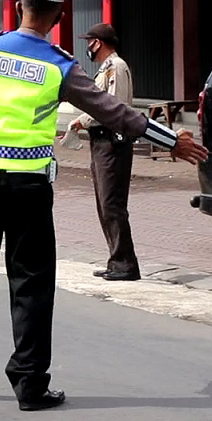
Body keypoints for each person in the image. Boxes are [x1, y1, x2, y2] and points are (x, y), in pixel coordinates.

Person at [0, 0, 208, 411]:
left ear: (20, 5)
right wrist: (172, 140)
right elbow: (113, 111)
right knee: (32, 286)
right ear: (58, 17)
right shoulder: (58, 64)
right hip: (29, 189)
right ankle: (30, 384)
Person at [67, 23, 140, 281]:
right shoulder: (105, 69)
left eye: (90, 41)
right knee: (104, 205)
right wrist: (83, 121)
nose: (87, 46)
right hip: (100, 142)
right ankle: (116, 260)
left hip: (112, 143)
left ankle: (125, 264)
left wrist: (84, 120)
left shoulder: (116, 67)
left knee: (112, 204)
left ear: (98, 42)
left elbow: (112, 106)